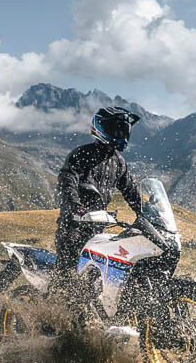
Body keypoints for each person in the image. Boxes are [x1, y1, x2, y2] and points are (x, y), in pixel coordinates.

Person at [51, 106, 143, 323]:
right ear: (102, 128)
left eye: (124, 130)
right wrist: (74, 206)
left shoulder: (118, 162)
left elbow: (130, 190)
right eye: (117, 129)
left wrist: (144, 212)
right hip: (73, 227)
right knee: (67, 278)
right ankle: (51, 317)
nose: (121, 135)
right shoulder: (81, 154)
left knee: (103, 277)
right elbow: (67, 181)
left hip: (97, 230)